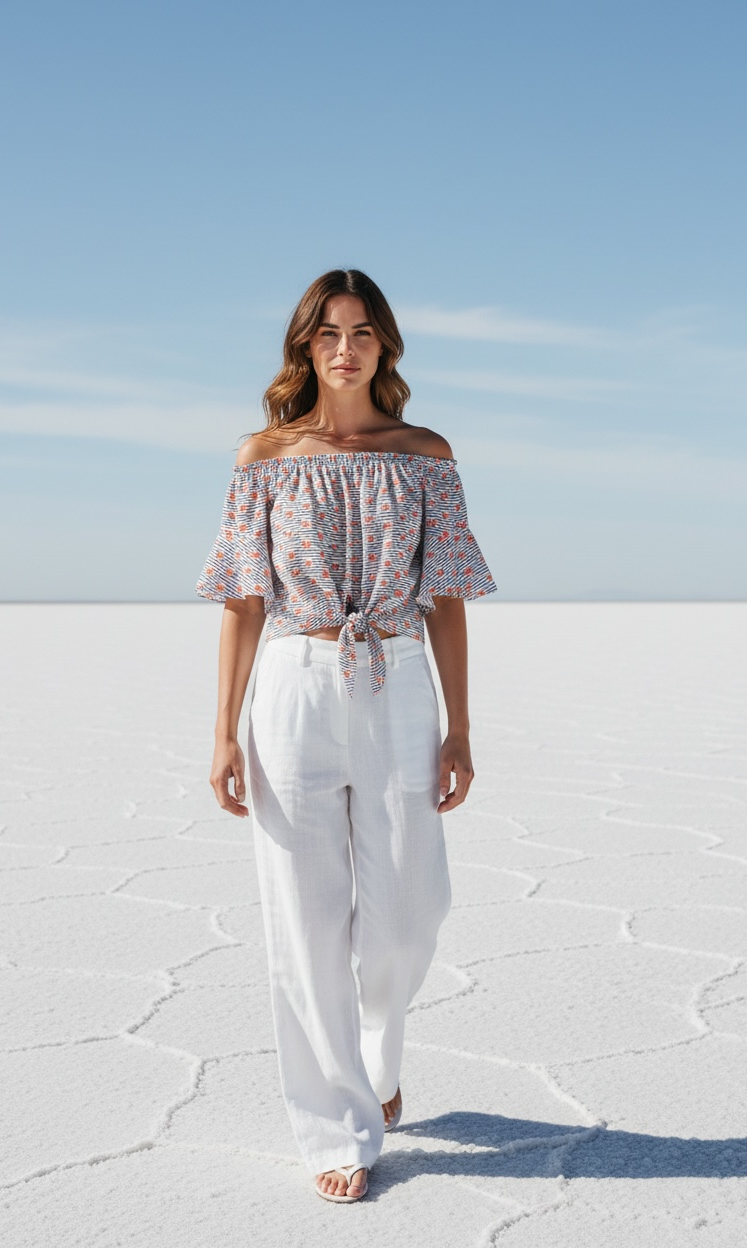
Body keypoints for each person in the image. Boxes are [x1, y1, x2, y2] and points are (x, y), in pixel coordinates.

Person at [197, 269, 496, 1203]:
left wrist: (459, 726)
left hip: (399, 681)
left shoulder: (426, 453)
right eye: (327, 333)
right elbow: (244, 602)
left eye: (363, 332)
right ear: (304, 348)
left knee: (410, 914)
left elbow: (447, 596)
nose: (346, 348)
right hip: (292, 686)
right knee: (304, 920)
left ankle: (377, 1055)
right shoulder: (263, 457)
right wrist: (223, 732)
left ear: (386, 346)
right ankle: (336, 1124)